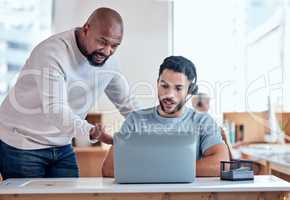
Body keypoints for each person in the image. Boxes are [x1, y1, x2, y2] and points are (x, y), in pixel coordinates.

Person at [0, 7, 137, 179]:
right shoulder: (52, 53)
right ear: (86, 29)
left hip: (62, 144)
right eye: (102, 42)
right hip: (22, 141)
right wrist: (91, 132)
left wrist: (152, 127)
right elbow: (56, 111)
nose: (107, 51)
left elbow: (127, 103)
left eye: (114, 46)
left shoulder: (109, 63)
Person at [102, 56, 229, 177]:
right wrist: (176, 169)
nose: (169, 94)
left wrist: (159, 169)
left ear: (190, 90)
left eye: (178, 88)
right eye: (164, 86)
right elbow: (109, 168)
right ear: (157, 83)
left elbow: (221, 164)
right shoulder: (135, 120)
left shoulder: (203, 121)